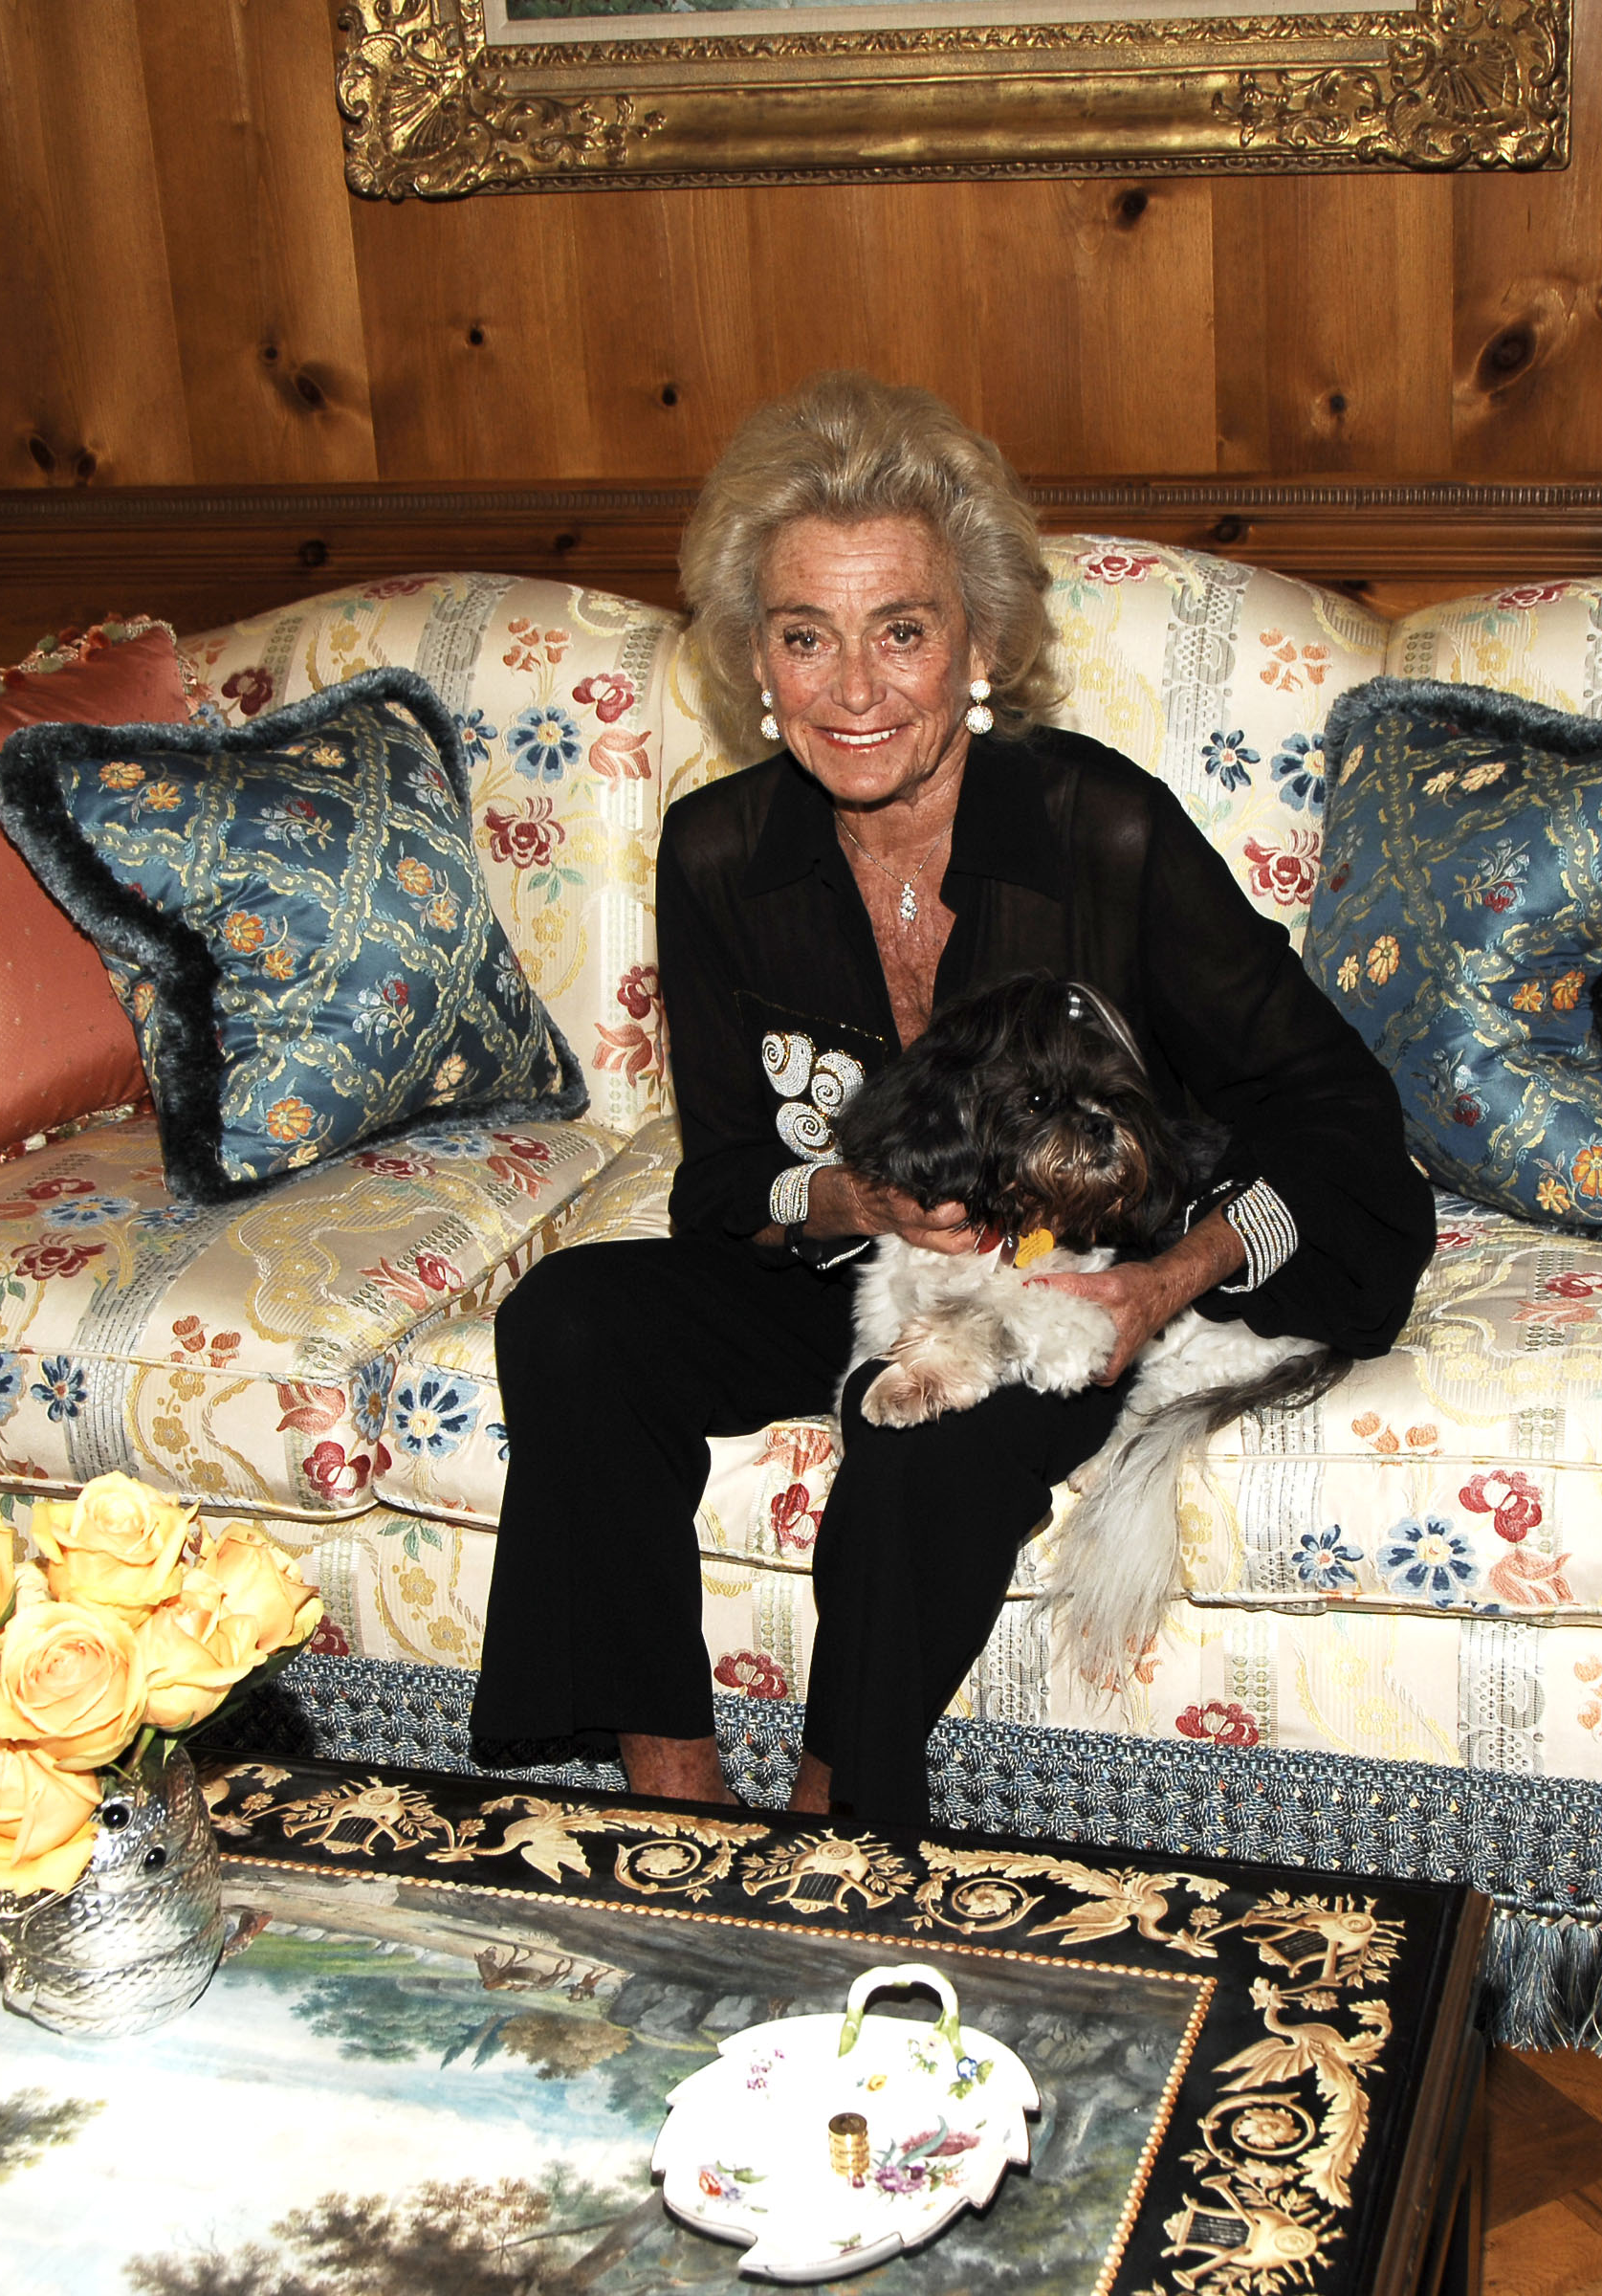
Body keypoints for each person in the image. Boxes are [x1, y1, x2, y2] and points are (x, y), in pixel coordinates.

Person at [470, 372, 1431, 1831]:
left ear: (976, 643)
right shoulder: (721, 854)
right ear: (758, 662)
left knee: (929, 1428)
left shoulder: (1100, 831)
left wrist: (1157, 1289)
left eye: (899, 631)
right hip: (856, 1270)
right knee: (571, 1318)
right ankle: (662, 1800)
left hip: (1064, 1287)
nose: (854, 690)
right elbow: (728, 1178)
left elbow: (1340, 1111)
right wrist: (850, 1198)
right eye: (807, 637)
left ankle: (834, 1820)